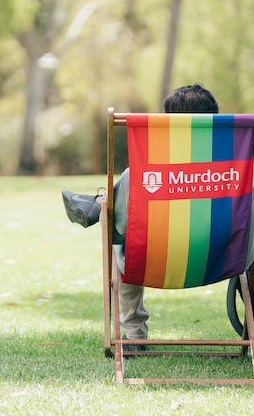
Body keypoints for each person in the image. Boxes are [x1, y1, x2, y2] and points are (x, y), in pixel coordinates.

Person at [62, 84, 220, 342]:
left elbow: (119, 227)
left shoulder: (148, 173)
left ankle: (97, 203)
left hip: (156, 255)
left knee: (121, 237)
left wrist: (108, 211)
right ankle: (99, 201)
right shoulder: (233, 172)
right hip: (219, 254)